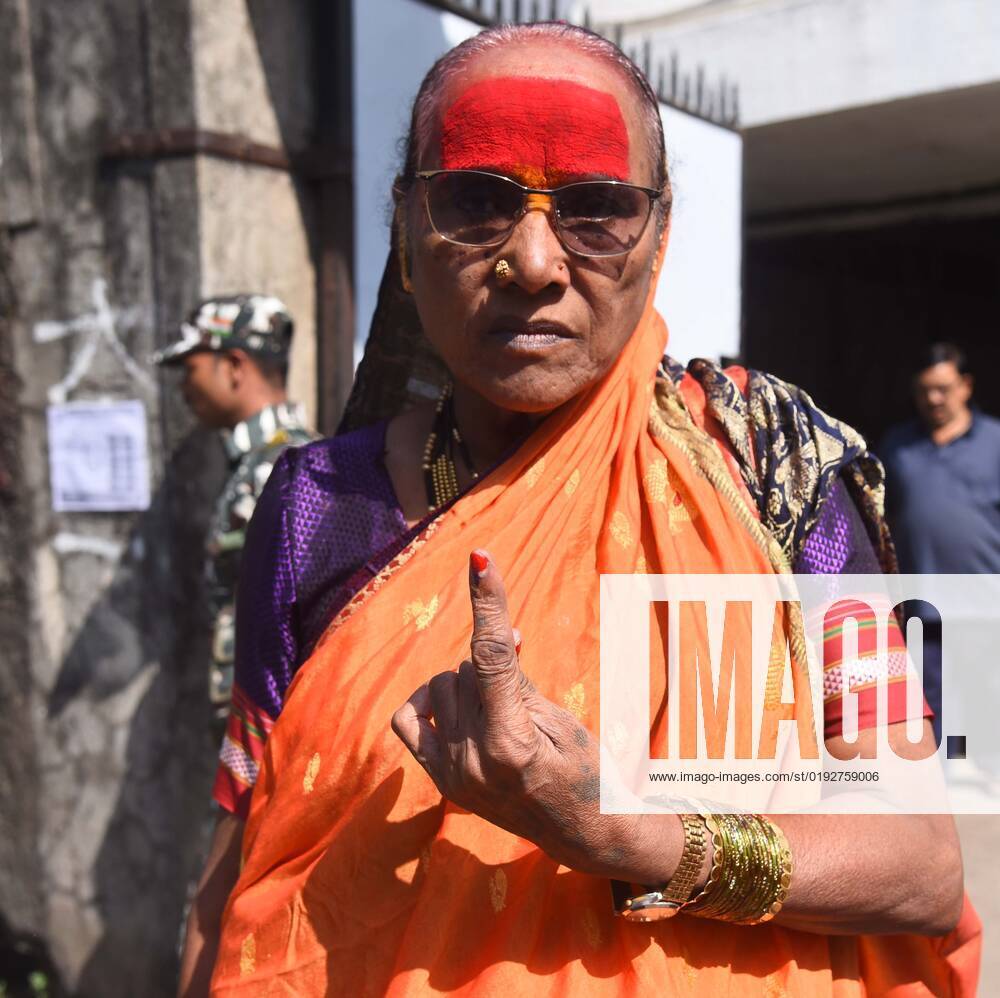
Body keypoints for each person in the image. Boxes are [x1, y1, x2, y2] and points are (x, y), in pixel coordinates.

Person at [183, 25, 980, 997]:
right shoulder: (318, 506)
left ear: (659, 235)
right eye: (475, 200)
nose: (531, 259)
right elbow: (238, 865)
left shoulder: (773, 465)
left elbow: (923, 865)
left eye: (596, 209)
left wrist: (623, 830)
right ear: (405, 227)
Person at [154, 295, 317, 715]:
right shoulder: (258, 462)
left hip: (277, 725)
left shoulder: (292, 467)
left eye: (191, 369)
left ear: (233, 367)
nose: (182, 388)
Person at [880, 343, 1000, 745]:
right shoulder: (897, 448)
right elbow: (883, 519)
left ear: (965, 386)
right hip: (924, 602)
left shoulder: (994, 444)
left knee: (987, 702)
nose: (933, 398)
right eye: (924, 389)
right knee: (929, 704)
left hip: (985, 604)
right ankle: (940, 793)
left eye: (943, 389)